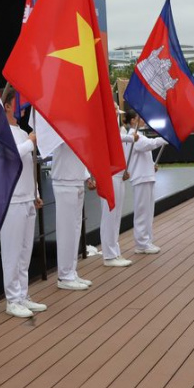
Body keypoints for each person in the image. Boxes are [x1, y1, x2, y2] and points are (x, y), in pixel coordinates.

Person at [0, 90, 45, 318]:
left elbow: (29, 166)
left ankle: (23, 294)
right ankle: (12, 299)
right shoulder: (0, 132)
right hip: (12, 200)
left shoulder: (23, 133)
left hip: (27, 198)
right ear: (7, 106)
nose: (23, 108)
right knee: (12, 252)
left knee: (25, 252)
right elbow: (10, 156)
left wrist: (35, 192)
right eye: (17, 103)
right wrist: (30, 142)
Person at [94, 110, 137, 267]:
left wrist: (125, 170)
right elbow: (111, 137)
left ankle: (114, 251)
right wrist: (130, 138)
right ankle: (109, 255)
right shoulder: (104, 127)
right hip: (109, 175)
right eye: (114, 111)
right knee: (109, 215)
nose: (117, 115)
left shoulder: (118, 129)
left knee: (116, 215)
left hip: (118, 175)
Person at [51, 132, 92, 290]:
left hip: (77, 179)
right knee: (66, 231)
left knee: (75, 230)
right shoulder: (57, 126)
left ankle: (71, 271)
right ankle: (64, 275)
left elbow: (79, 151)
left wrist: (86, 175)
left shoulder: (77, 127)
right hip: (64, 181)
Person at [123, 110, 166, 255]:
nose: (143, 120)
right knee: (142, 212)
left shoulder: (139, 135)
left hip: (146, 176)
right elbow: (147, 145)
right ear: (133, 121)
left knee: (148, 212)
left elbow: (143, 152)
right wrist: (164, 139)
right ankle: (141, 244)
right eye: (139, 118)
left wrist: (151, 165)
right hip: (140, 177)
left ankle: (147, 241)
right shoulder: (132, 136)